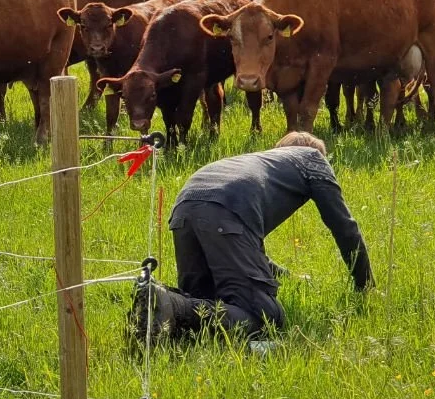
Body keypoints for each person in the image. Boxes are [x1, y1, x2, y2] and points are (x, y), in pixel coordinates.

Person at [141, 131, 372, 341]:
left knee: (202, 302)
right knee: (264, 317)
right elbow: (345, 228)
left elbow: (246, 250)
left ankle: (157, 304)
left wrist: (289, 275)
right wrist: (366, 286)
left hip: (184, 209)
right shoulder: (313, 158)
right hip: (225, 210)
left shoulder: (256, 164)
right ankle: (169, 304)